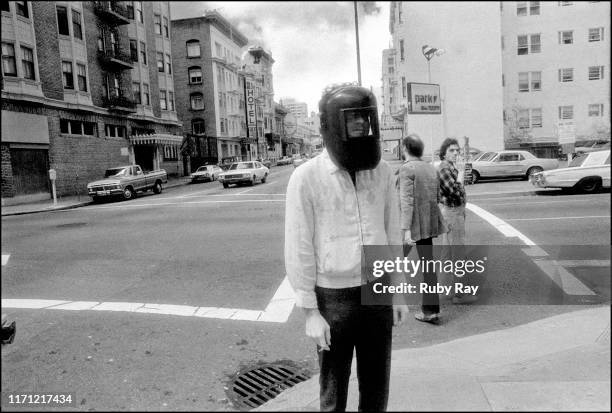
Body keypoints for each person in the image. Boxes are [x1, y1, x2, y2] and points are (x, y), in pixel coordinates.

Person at [285, 83, 409, 412]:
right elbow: (299, 246)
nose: (359, 129)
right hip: (333, 297)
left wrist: (397, 290)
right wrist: (311, 312)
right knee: (333, 391)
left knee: (376, 388)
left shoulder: (381, 171)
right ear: (330, 126)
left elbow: (391, 231)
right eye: (351, 123)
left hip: (378, 290)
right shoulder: (306, 177)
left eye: (364, 123)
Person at [397, 134, 447, 323]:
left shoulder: (407, 169)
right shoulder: (429, 168)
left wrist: (406, 230)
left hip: (410, 227)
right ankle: (431, 311)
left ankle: (380, 303)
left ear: (405, 149)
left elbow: (406, 202)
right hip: (427, 224)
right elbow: (436, 197)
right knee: (428, 267)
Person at [437, 138, 475, 304]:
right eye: (451, 150)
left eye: (457, 150)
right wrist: (460, 178)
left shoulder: (451, 167)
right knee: (458, 254)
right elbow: (455, 192)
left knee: (447, 254)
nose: (455, 153)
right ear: (444, 152)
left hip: (454, 212)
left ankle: (445, 290)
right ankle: (460, 294)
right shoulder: (445, 168)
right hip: (453, 213)